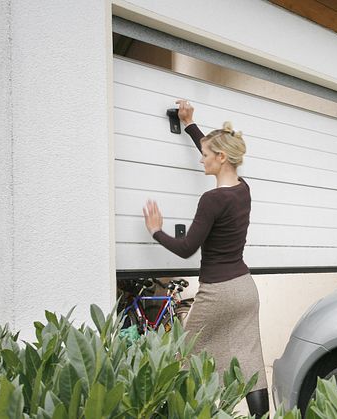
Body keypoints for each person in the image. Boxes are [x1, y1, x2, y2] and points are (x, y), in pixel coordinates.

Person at [142, 100, 269, 417]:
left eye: (206, 155)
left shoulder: (212, 199)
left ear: (221, 158)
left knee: (183, 355)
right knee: (250, 359)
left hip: (218, 293)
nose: (201, 159)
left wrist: (156, 231)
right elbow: (210, 144)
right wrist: (189, 124)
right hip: (244, 288)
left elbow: (187, 248)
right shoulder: (243, 189)